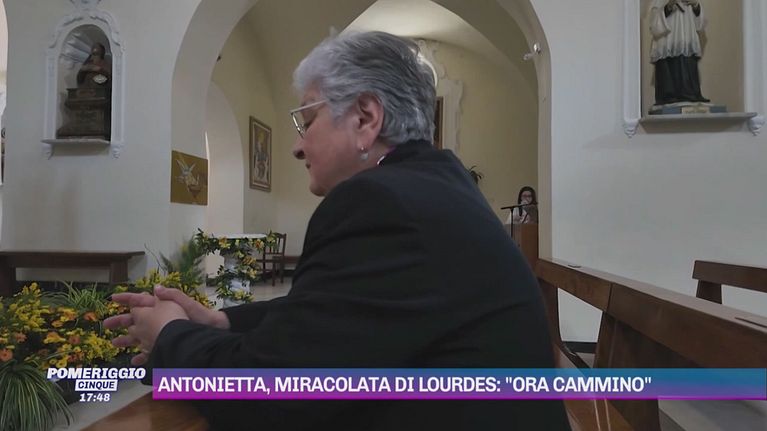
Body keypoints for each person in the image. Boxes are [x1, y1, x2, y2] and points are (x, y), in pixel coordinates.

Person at [105, 31, 570, 431]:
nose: (297, 147)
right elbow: (344, 308)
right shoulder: (434, 185)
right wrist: (223, 321)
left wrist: (170, 334)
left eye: (306, 121)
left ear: (365, 118)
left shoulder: (380, 202)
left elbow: (269, 395)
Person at [649, 0, 709, 106]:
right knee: (670, 77)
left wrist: (696, 6)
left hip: (687, 42)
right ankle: (670, 95)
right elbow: (654, 26)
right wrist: (669, 7)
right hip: (668, 44)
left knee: (687, 66)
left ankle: (691, 94)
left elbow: (701, 25)